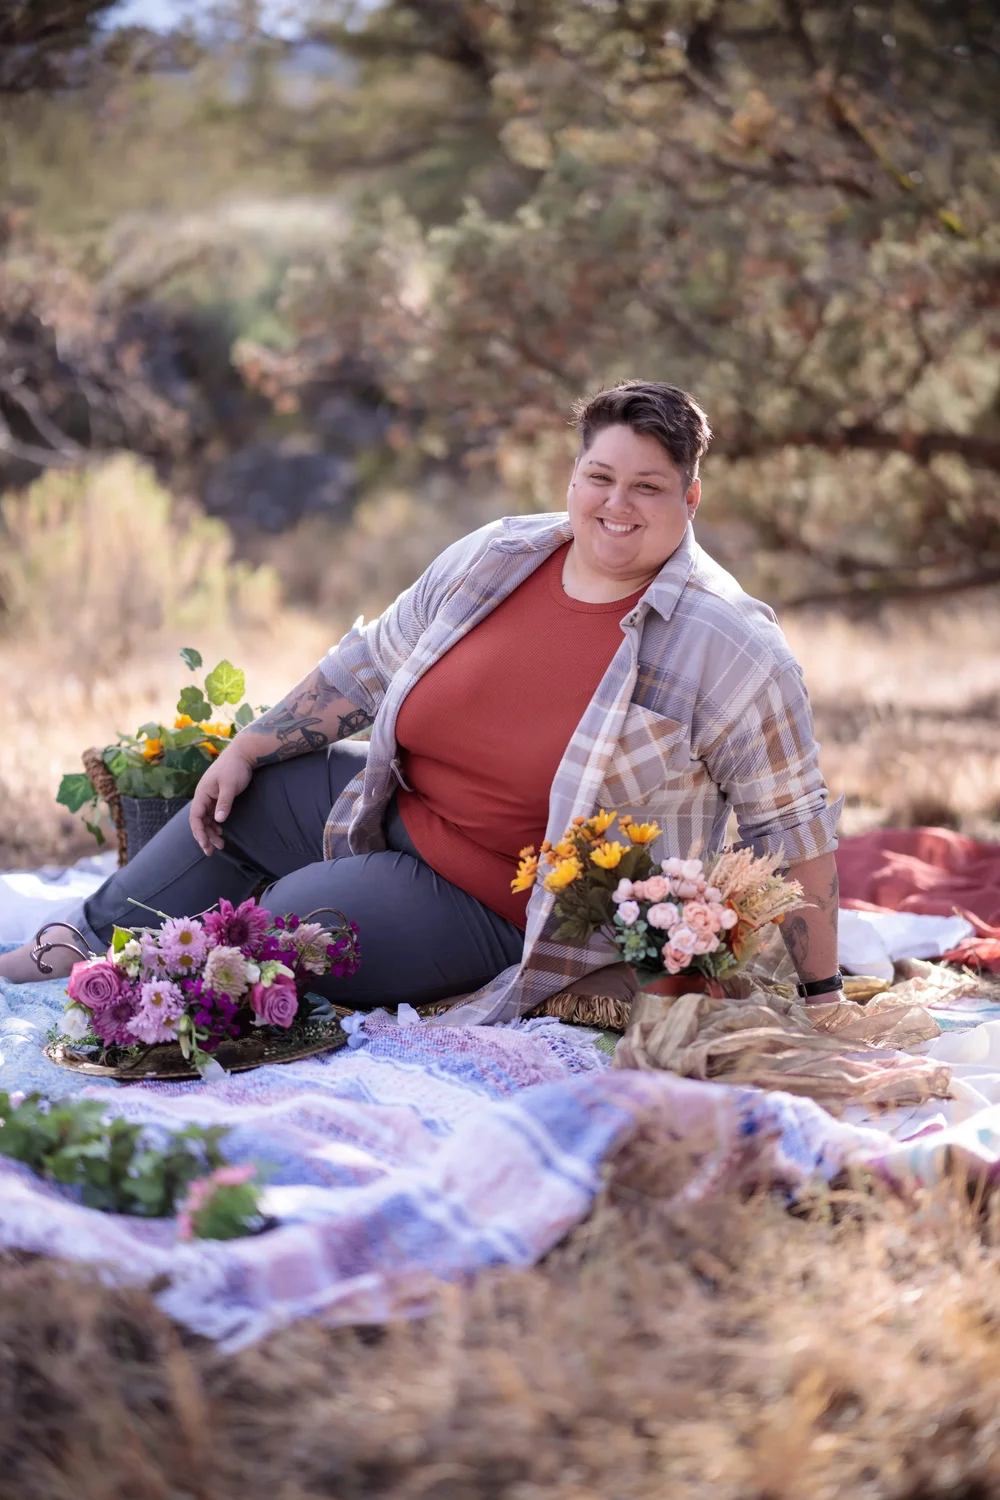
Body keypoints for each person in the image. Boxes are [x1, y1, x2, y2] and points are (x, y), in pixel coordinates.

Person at [0, 381, 843, 1020]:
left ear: (690, 499)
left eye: (649, 488)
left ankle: (145, 989)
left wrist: (823, 992)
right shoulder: (498, 557)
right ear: (575, 475)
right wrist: (252, 744)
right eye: (600, 477)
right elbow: (368, 665)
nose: (616, 505)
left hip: (505, 904)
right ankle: (76, 944)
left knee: (296, 920)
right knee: (242, 794)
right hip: (392, 805)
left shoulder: (730, 646)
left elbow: (790, 826)